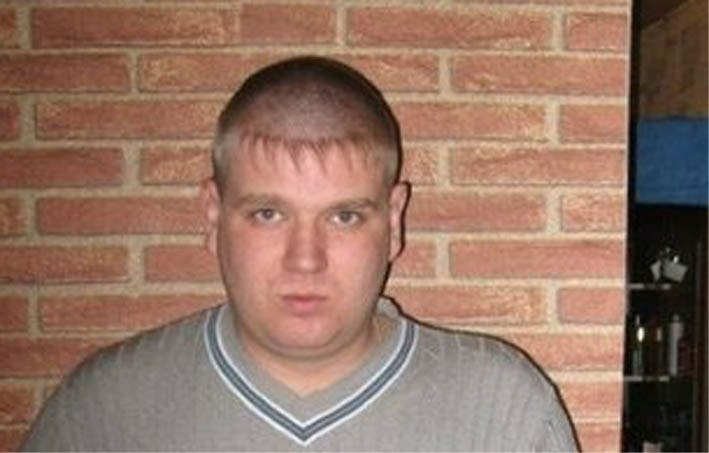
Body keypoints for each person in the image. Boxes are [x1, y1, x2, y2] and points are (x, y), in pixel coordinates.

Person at [22, 56, 578, 452]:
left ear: (394, 222)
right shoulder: (104, 411)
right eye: (268, 214)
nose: (305, 260)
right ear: (213, 216)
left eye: (344, 217)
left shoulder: (502, 410)